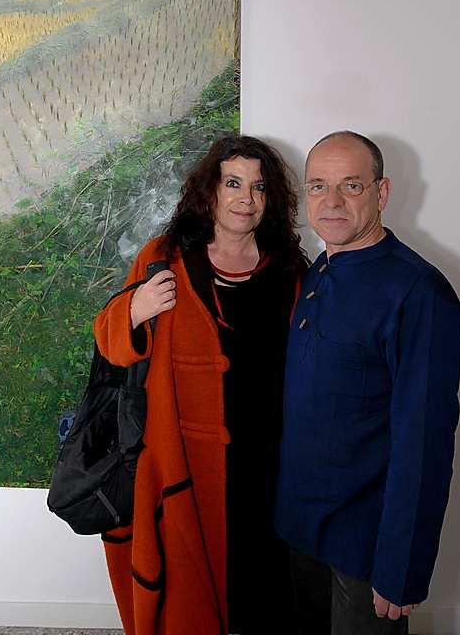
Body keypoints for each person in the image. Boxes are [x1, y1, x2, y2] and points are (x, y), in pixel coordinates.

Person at [93, 135, 309, 635]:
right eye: (232, 183)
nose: (245, 198)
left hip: (270, 463)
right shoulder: (163, 257)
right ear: (209, 190)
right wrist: (135, 309)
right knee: (188, 597)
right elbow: (109, 342)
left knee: (265, 595)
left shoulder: (289, 268)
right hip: (185, 462)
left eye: (258, 187)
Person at [275, 131, 460, 635]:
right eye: (318, 186)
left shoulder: (418, 293)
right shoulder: (320, 268)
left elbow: (424, 444)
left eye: (351, 185)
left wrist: (402, 568)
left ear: (382, 192)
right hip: (300, 524)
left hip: (364, 542)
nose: (332, 201)